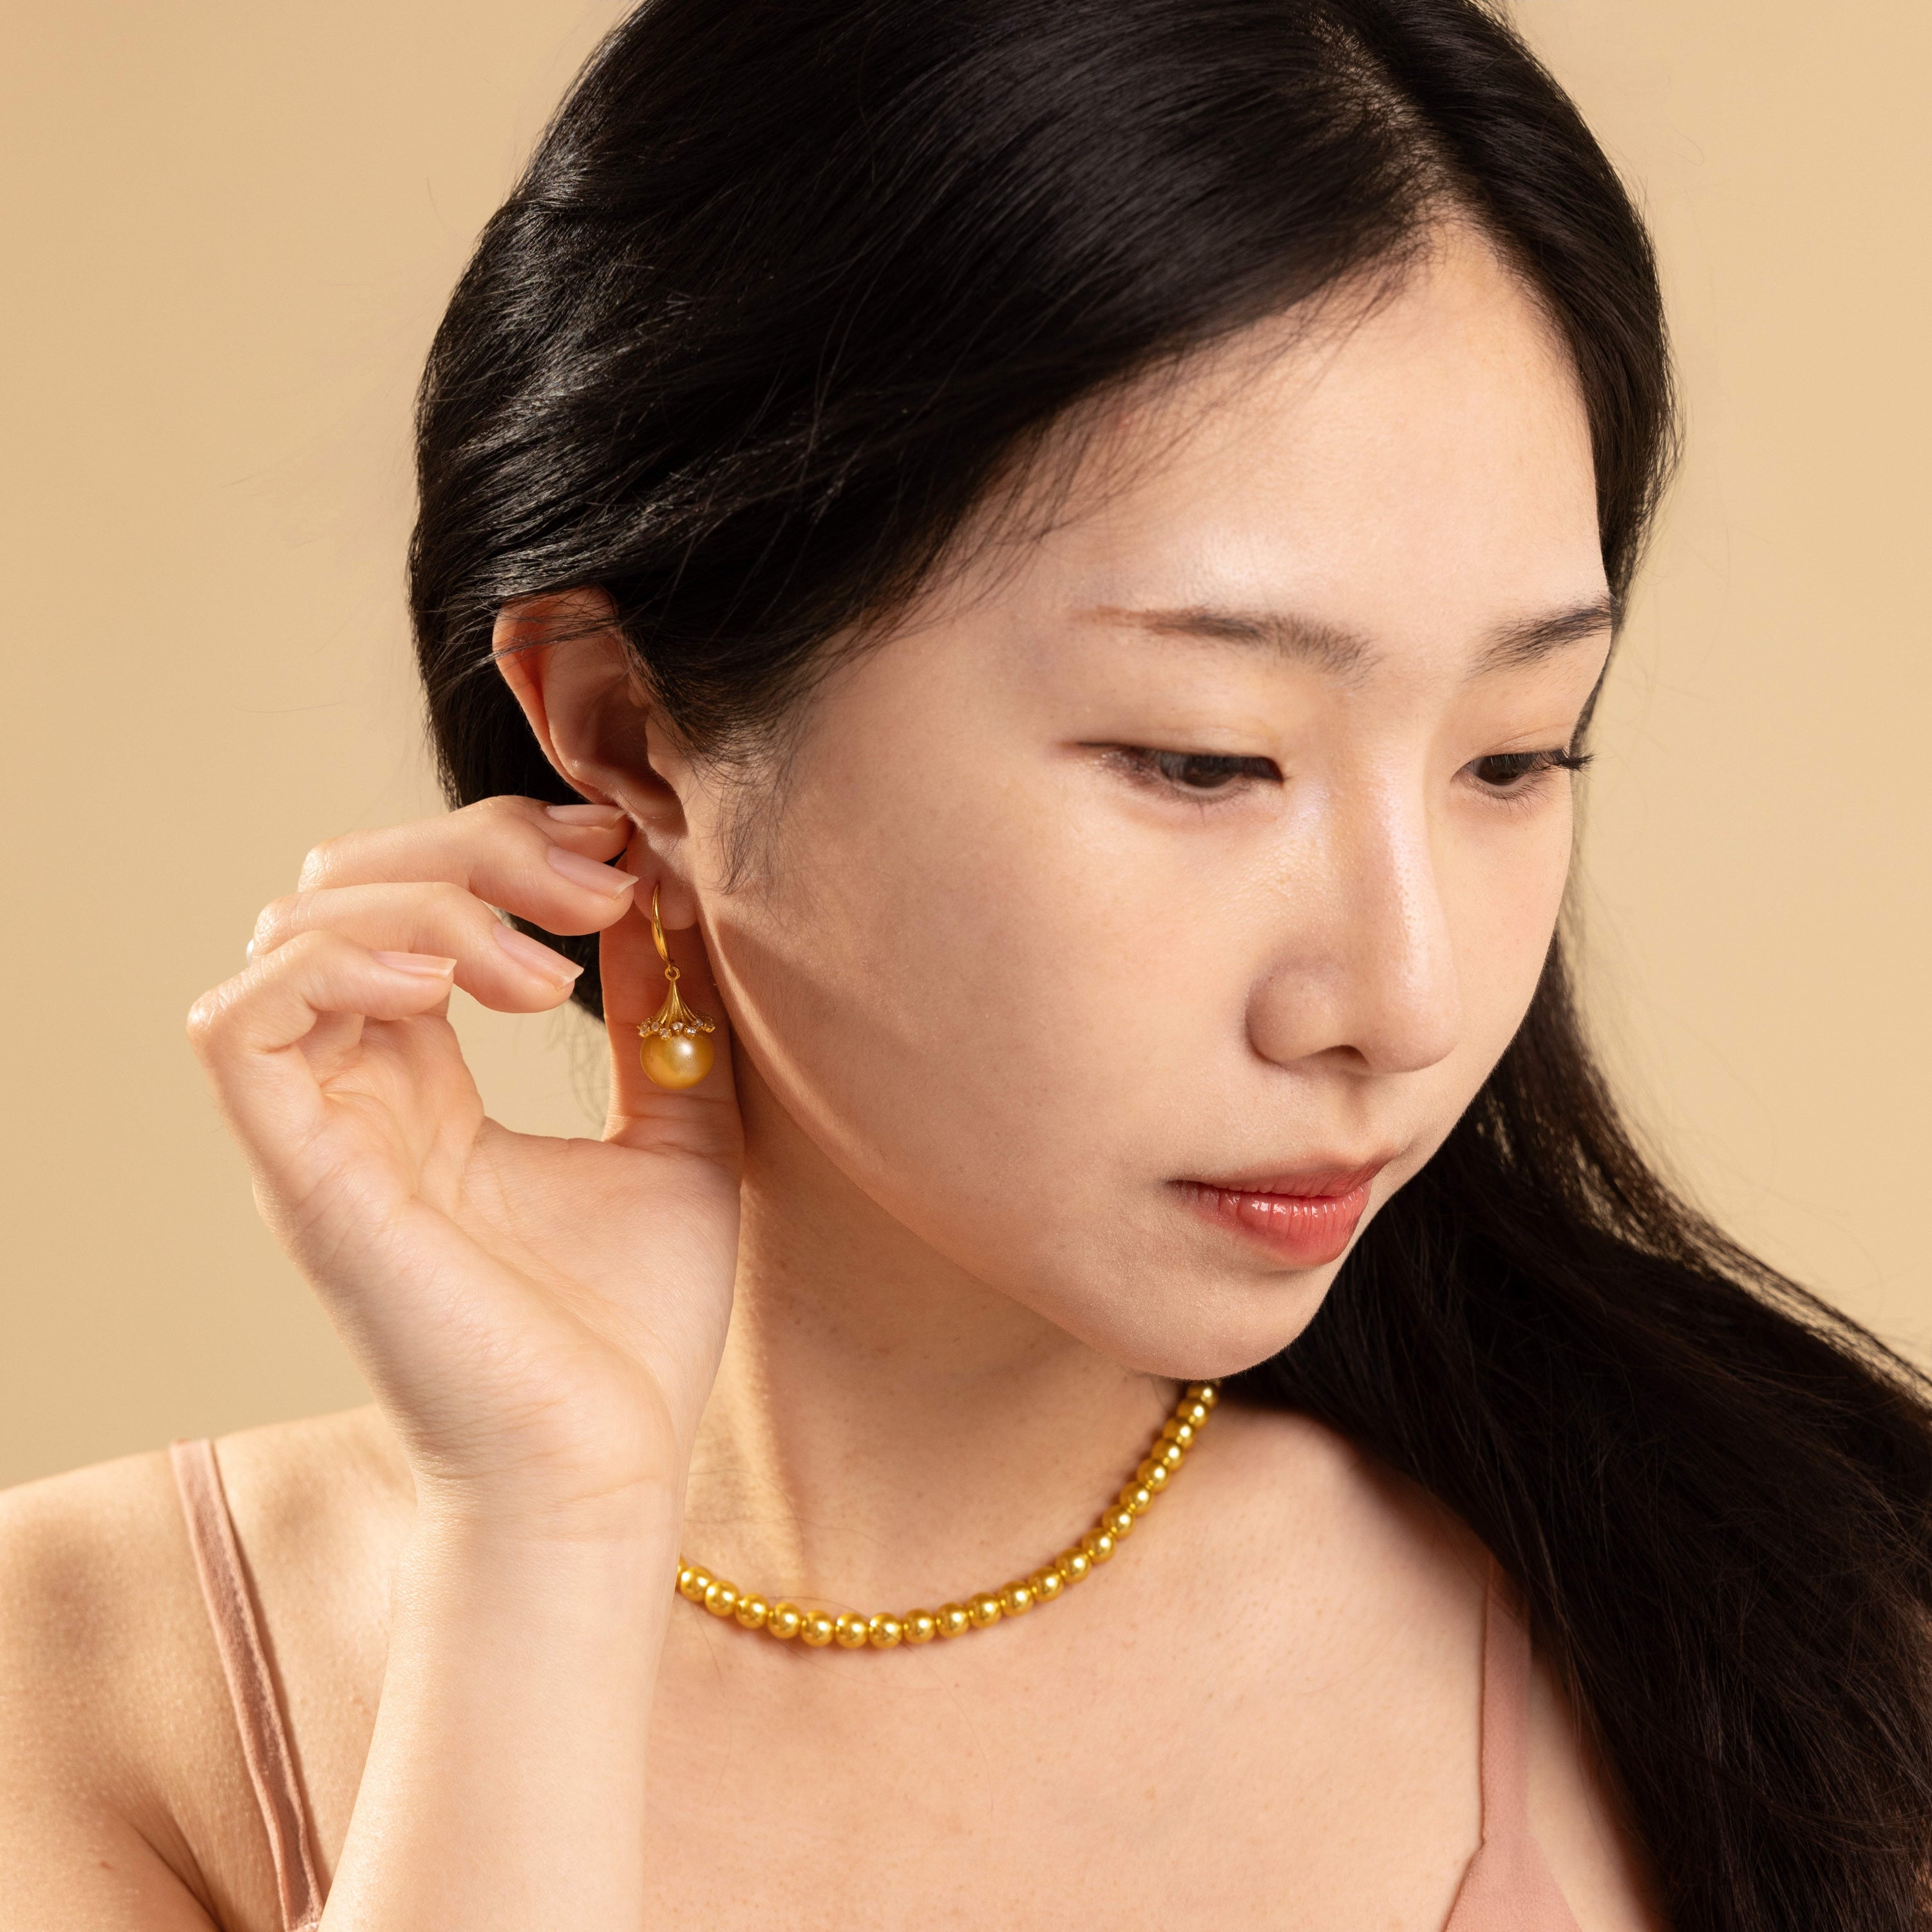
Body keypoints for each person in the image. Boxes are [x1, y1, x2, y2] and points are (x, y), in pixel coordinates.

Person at [3, 1, 1928, 1926]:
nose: (1407, 1005)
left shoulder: (1818, 1646)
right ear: (627, 731)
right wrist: (545, 1534)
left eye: (1514, 758)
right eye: (1204, 759)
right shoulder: (81, 1685)